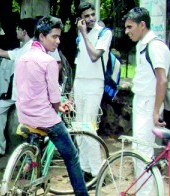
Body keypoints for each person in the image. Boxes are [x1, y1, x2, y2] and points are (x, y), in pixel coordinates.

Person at [15, 16, 88, 196]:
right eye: (54, 37)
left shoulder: (21, 58)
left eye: (58, 37)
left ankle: (30, 169)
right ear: (41, 36)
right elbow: (54, 97)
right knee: (72, 157)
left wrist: (53, 105)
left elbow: (30, 90)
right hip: (44, 117)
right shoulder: (48, 62)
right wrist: (56, 109)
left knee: (37, 141)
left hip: (24, 115)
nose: (58, 41)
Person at [123, 7, 170, 195]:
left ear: (142, 25)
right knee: (139, 150)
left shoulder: (155, 46)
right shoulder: (142, 44)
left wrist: (156, 111)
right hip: (141, 101)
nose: (127, 31)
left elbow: (162, 79)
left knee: (143, 153)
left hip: (149, 103)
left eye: (129, 27)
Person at [0, 18, 37, 159]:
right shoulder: (22, 49)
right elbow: (2, 53)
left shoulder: (32, 49)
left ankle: (26, 157)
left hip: (25, 95)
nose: (16, 32)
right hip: (12, 93)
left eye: (18, 29)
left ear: (24, 32)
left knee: (24, 127)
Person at [74, 2, 112, 181]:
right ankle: (85, 168)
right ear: (80, 18)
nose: (90, 19)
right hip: (79, 82)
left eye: (92, 15)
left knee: (89, 127)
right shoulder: (80, 36)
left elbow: (94, 56)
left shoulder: (104, 33)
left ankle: (98, 173)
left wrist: (84, 34)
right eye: (86, 16)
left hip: (95, 84)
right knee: (79, 128)